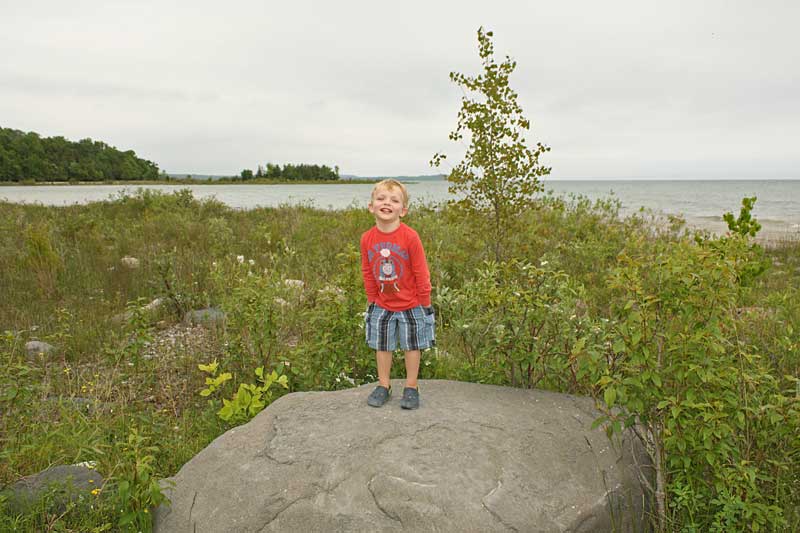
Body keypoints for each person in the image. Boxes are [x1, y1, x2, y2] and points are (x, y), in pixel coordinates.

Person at [360, 179, 434, 410]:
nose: (386, 203)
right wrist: (372, 298)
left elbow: (421, 271)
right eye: (381, 199)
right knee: (383, 345)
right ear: (371, 206)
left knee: (412, 345)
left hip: (411, 303)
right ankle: (384, 385)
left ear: (403, 210)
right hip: (382, 303)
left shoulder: (410, 237)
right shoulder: (367, 238)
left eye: (394, 200)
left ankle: (411, 387)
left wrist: (425, 303)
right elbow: (367, 270)